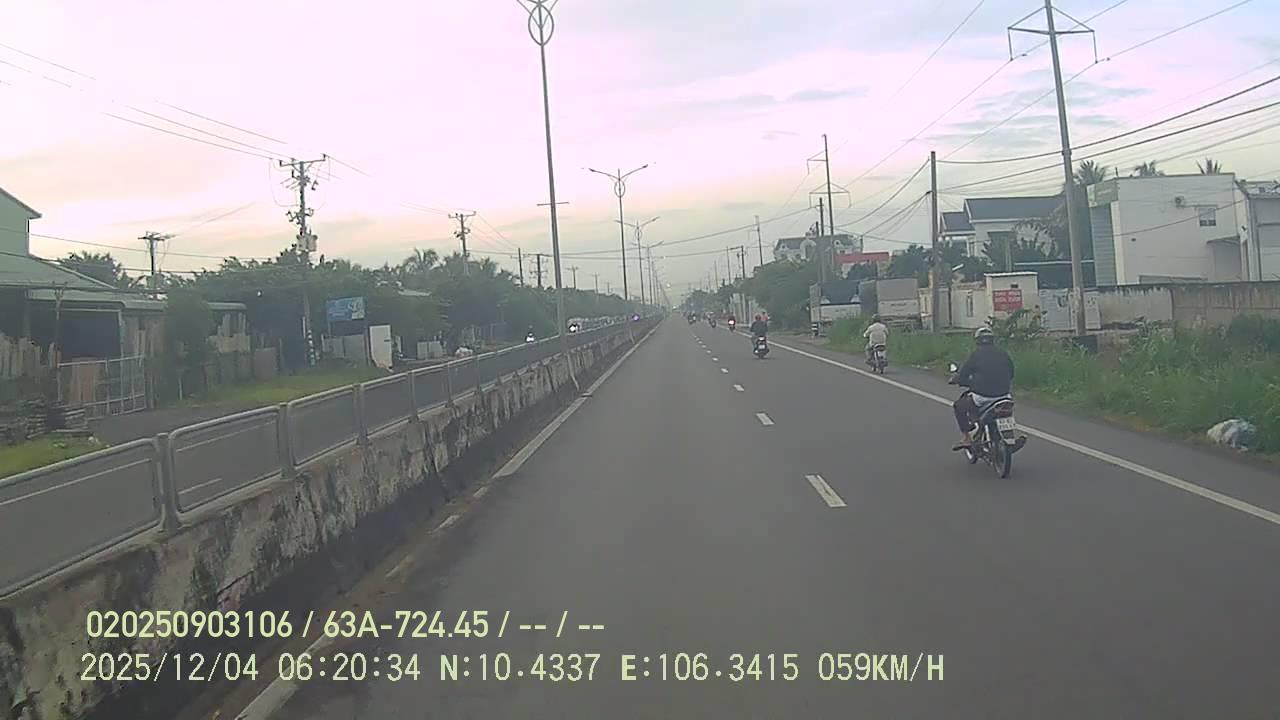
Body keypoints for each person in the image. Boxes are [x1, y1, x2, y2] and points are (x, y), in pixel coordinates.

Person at [951, 326, 1015, 449]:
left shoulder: (975, 355)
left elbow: (963, 374)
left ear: (977, 340)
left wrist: (956, 380)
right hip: (1004, 396)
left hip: (982, 397)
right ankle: (1008, 437)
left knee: (958, 406)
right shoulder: (1003, 354)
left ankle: (967, 438)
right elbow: (1012, 373)